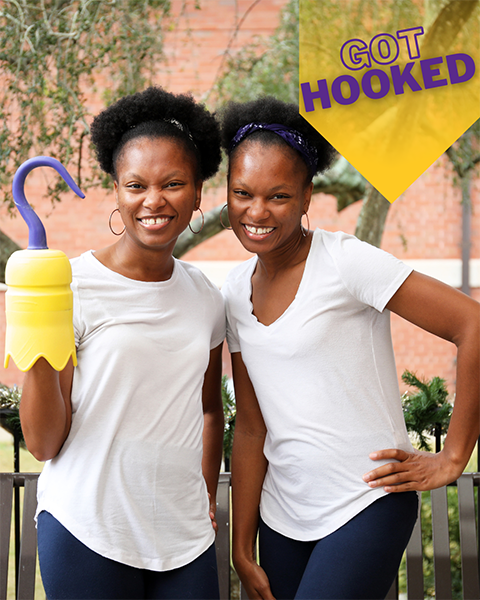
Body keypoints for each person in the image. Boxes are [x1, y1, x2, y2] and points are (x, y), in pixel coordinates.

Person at [219, 96, 480, 600]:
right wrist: (241, 549)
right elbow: (251, 426)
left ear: (307, 196)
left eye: (278, 196)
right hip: (283, 515)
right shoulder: (232, 291)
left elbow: (472, 324)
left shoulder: (345, 262)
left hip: (367, 500)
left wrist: (452, 458)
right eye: (242, 193)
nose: (257, 211)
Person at [19, 86, 226, 600]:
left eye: (174, 184)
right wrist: (37, 340)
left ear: (198, 193)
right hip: (88, 528)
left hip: (185, 539)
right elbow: (44, 444)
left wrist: (203, 490)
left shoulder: (205, 296)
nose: (153, 200)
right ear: (117, 191)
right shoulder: (67, 287)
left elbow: (207, 410)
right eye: (136, 185)